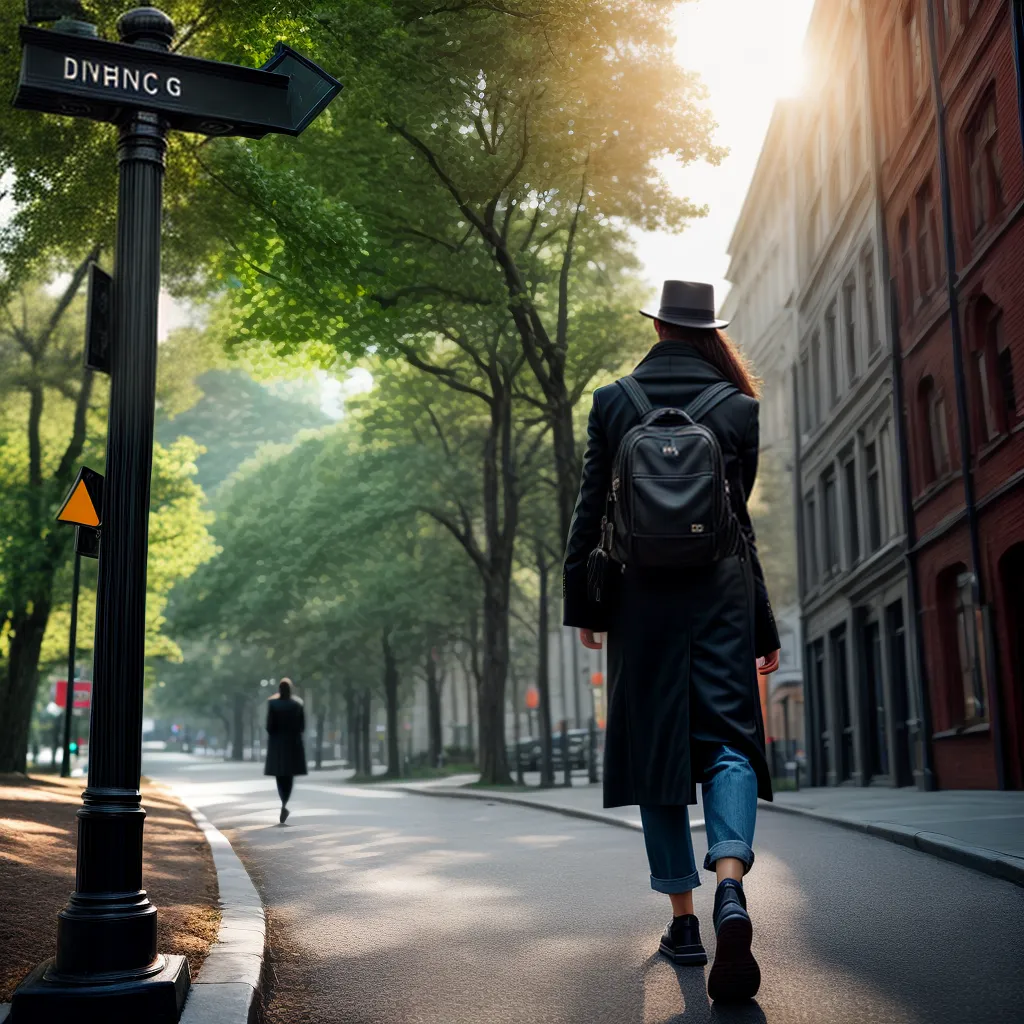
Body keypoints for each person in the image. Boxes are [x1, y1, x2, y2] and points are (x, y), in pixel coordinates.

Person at [563, 280, 780, 1004]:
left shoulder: (611, 401)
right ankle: (730, 883)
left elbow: (591, 510)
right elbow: (737, 527)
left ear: (656, 326)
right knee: (729, 744)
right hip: (720, 596)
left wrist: (585, 605)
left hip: (638, 596)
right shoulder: (739, 408)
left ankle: (684, 924)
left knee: (656, 749)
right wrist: (764, 624)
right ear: (708, 331)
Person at [264, 678, 307, 824]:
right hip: (293, 744)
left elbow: (269, 726)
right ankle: (285, 803)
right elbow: (302, 727)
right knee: (289, 775)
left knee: (279, 775)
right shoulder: (297, 704)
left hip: (277, 744)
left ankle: (283, 801)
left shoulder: (273, 704)